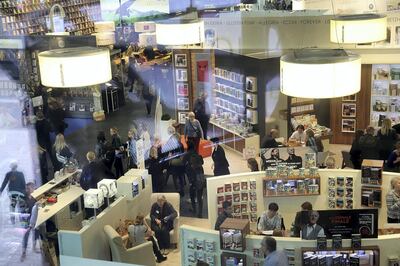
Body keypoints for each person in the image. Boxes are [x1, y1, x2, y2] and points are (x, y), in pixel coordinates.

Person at [183, 140, 205, 217]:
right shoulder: (198, 156)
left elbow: (183, 164)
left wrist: (191, 182)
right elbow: (202, 165)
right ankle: (200, 213)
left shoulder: (187, 156)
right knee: (199, 197)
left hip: (193, 180)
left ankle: (194, 209)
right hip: (201, 179)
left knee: (192, 195)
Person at [21, 182, 40, 262]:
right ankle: (24, 252)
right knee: (26, 236)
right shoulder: (23, 198)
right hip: (26, 220)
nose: (29, 190)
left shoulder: (34, 197)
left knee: (36, 233)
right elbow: (21, 210)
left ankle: (34, 247)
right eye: (27, 188)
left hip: (34, 219)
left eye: (30, 188)